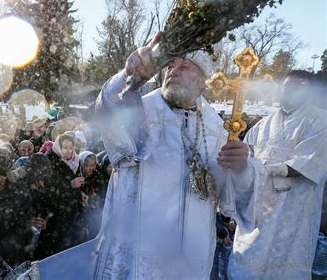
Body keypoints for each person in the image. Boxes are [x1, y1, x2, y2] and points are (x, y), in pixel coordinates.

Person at [92, 34, 255, 278]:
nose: (173, 71)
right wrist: (129, 76)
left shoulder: (218, 129)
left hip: (191, 260)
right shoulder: (139, 109)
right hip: (137, 252)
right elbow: (108, 106)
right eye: (170, 65)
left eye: (184, 66)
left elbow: (230, 196)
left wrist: (243, 168)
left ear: (203, 81)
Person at [228, 70, 327, 279]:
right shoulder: (262, 125)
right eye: (287, 85)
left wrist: (260, 168)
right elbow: (245, 164)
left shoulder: (320, 121)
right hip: (258, 207)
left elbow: (307, 165)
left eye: (299, 86)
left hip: (294, 211)